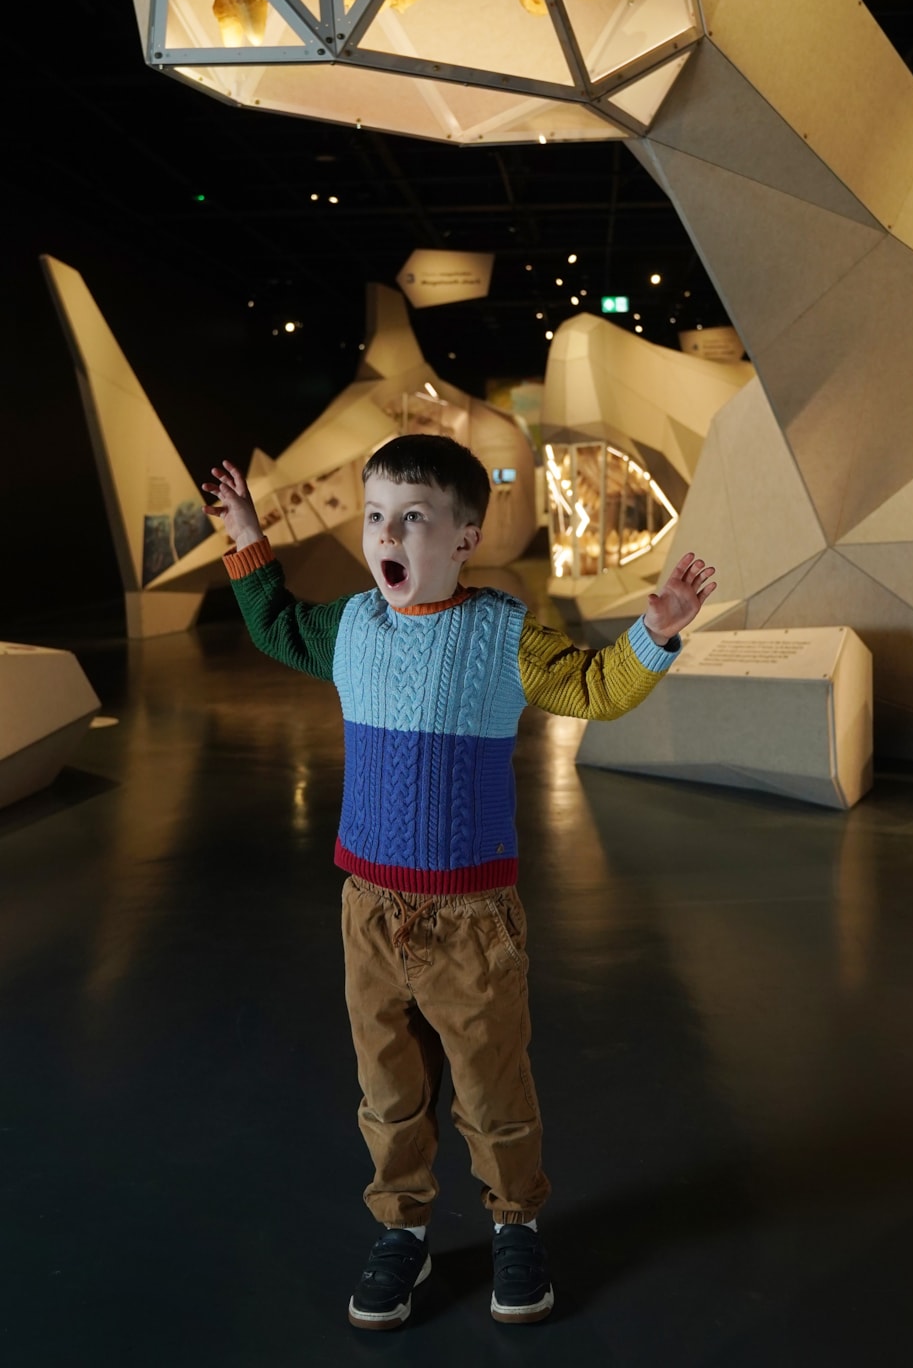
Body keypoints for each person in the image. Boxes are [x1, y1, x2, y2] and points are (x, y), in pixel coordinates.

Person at [201, 436, 715, 1332]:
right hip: (368, 911)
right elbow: (275, 621)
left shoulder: (500, 635)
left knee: (490, 1089)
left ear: (465, 536)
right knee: (388, 1092)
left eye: (413, 518)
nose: (387, 534)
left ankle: (515, 1221)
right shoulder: (351, 627)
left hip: (473, 920)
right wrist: (246, 533)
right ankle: (401, 1231)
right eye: (375, 517)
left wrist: (655, 632)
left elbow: (593, 688)